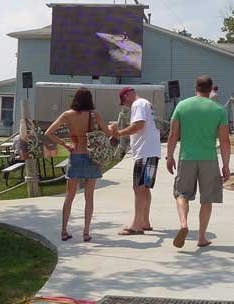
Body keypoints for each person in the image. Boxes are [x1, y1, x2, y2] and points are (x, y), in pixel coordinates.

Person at [166, 75, 231, 248]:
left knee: (182, 194)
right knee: (207, 199)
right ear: (211, 89)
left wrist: (169, 155)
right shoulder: (218, 110)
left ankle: (183, 223)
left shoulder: (182, 105)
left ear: (196, 87)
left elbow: (173, 134)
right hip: (209, 158)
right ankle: (201, 237)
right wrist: (225, 165)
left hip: (187, 157)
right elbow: (225, 141)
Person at [45, 88, 114, 242]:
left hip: (75, 155)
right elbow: (108, 134)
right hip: (92, 157)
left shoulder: (68, 115)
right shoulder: (94, 115)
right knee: (89, 197)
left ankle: (64, 230)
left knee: (69, 195)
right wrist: (113, 127)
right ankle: (86, 232)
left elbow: (48, 132)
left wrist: (65, 143)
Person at [111, 87, 161, 235]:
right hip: (152, 151)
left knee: (138, 188)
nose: (125, 105)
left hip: (144, 152)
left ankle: (136, 225)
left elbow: (139, 125)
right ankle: (145, 221)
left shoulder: (138, 104)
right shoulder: (146, 103)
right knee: (144, 187)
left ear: (127, 96)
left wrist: (118, 133)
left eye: (124, 101)